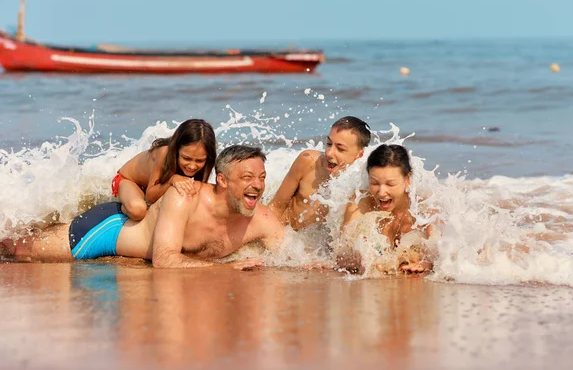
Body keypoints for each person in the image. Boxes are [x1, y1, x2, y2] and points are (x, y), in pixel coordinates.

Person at [1, 145, 284, 269]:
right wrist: (227, 268)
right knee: (16, 250)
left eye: (261, 178)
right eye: (247, 177)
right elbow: (165, 259)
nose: (257, 185)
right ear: (221, 180)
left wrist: (319, 265)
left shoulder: (260, 218)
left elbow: (292, 255)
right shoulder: (184, 196)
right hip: (105, 231)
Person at [336, 144, 435, 274]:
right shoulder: (360, 203)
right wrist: (363, 259)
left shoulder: (423, 207)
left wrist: (426, 262)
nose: (382, 193)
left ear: (407, 180)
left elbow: (441, 247)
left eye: (390, 184)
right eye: (375, 183)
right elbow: (341, 252)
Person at [268, 116, 371, 231]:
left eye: (340, 149)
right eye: (328, 143)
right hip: (286, 234)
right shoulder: (308, 161)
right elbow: (275, 207)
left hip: (316, 246)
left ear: (359, 155)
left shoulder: (360, 184)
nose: (329, 153)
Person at [112, 118, 217, 221]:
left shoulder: (207, 161)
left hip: (153, 187)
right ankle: (121, 206)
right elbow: (149, 196)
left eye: (199, 161)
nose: (192, 166)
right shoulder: (164, 153)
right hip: (129, 181)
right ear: (176, 149)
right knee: (138, 210)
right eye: (186, 158)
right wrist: (172, 180)